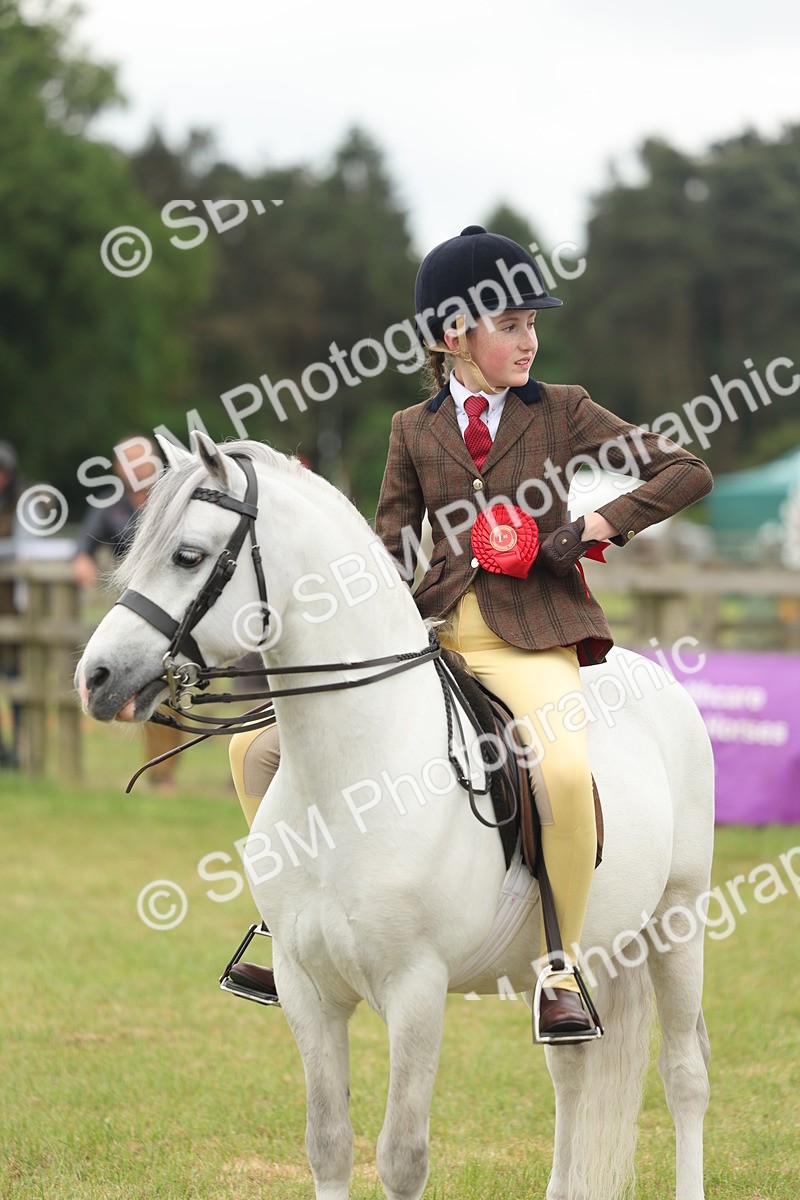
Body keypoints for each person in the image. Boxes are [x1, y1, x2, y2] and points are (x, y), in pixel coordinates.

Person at [224, 226, 714, 1036]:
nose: (531, 339)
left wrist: (596, 522)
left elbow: (684, 470)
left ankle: (559, 967)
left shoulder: (563, 410)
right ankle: (288, 916)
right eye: (512, 324)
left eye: (531, 324)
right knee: (257, 751)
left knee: (559, 773)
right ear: (455, 335)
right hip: (439, 639)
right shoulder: (411, 432)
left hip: (534, 640)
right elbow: (389, 549)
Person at [73, 436, 184, 788]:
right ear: (119, 469)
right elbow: (84, 542)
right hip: (135, 613)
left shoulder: (174, 499)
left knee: (177, 686)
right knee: (146, 684)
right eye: (129, 462)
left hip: (177, 606)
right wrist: (81, 560)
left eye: (143, 461)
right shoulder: (111, 507)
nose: (138, 468)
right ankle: (159, 771)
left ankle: (167, 768)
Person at [0, 441, 24, 767]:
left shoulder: (25, 502)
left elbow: (25, 548)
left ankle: (20, 750)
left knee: (17, 681)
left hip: (15, 609)